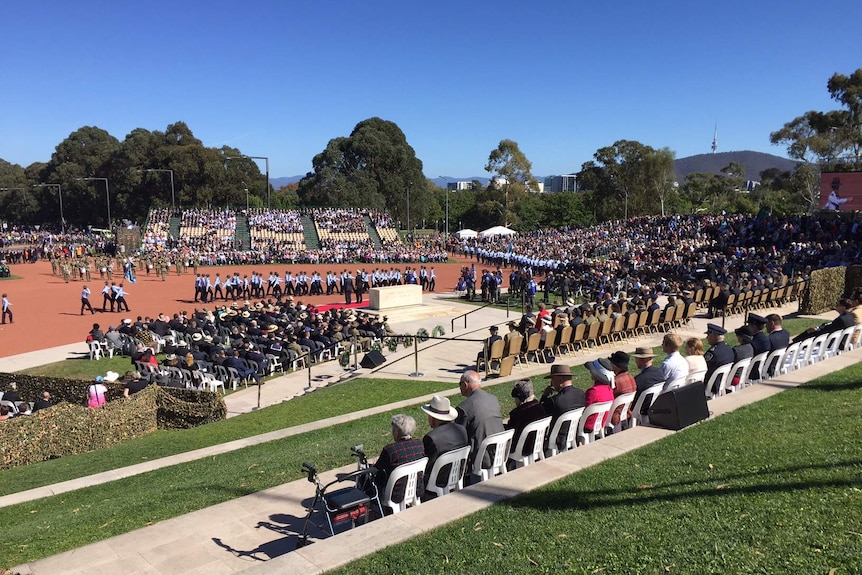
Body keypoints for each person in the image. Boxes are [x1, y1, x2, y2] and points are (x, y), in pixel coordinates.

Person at [455, 370, 504, 471]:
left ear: (465, 384)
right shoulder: (493, 399)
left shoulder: (464, 408)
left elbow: (458, 439)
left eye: (460, 384)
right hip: (500, 451)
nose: (459, 387)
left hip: (481, 457)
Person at [372, 414, 426, 504]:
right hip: (417, 490)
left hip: (395, 495)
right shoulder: (420, 445)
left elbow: (377, 471)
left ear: (396, 432)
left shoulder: (390, 450)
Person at [421, 395, 468, 496]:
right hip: (457, 475)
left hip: (437, 481)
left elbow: (427, 465)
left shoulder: (431, 438)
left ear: (433, 418)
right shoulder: (461, 430)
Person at [540, 363, 586, 451]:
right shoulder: (581, 394)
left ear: (560, 380)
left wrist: (544, 396)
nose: (551, 383)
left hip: (558, 438)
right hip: (574, 434)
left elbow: (540, 412)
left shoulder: (554, 401)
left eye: (552, 380)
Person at [505, 379, 547, 456]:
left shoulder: (518, 413)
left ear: (520, 397)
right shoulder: (540, 408)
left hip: (523, 449)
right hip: (540, 445)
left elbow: (512, 433)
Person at [583, 358, 615, 434]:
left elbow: (585, 409)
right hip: (601, 424)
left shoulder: (593, 391)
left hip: (588, 426)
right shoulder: (609, 390)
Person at [632, 346, 665, 414]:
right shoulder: (660, 372)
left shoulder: (638, 380)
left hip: (642, 410)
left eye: (636, 359)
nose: (635, 361)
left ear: (641, 359)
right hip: (657, 406)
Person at [704, 324, 734, 396]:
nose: (706, 337)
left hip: (712, 385)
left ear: (713, 336)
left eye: (708, 335)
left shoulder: (713, 352)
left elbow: (704, 367)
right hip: (723, 382)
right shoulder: (729, 349)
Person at [607, 351, 635, 427]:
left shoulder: (615, 382)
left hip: (614, 417)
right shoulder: (631, 378)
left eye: (611, 363)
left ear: (616, 366)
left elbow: (607, 399)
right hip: (626, 414)